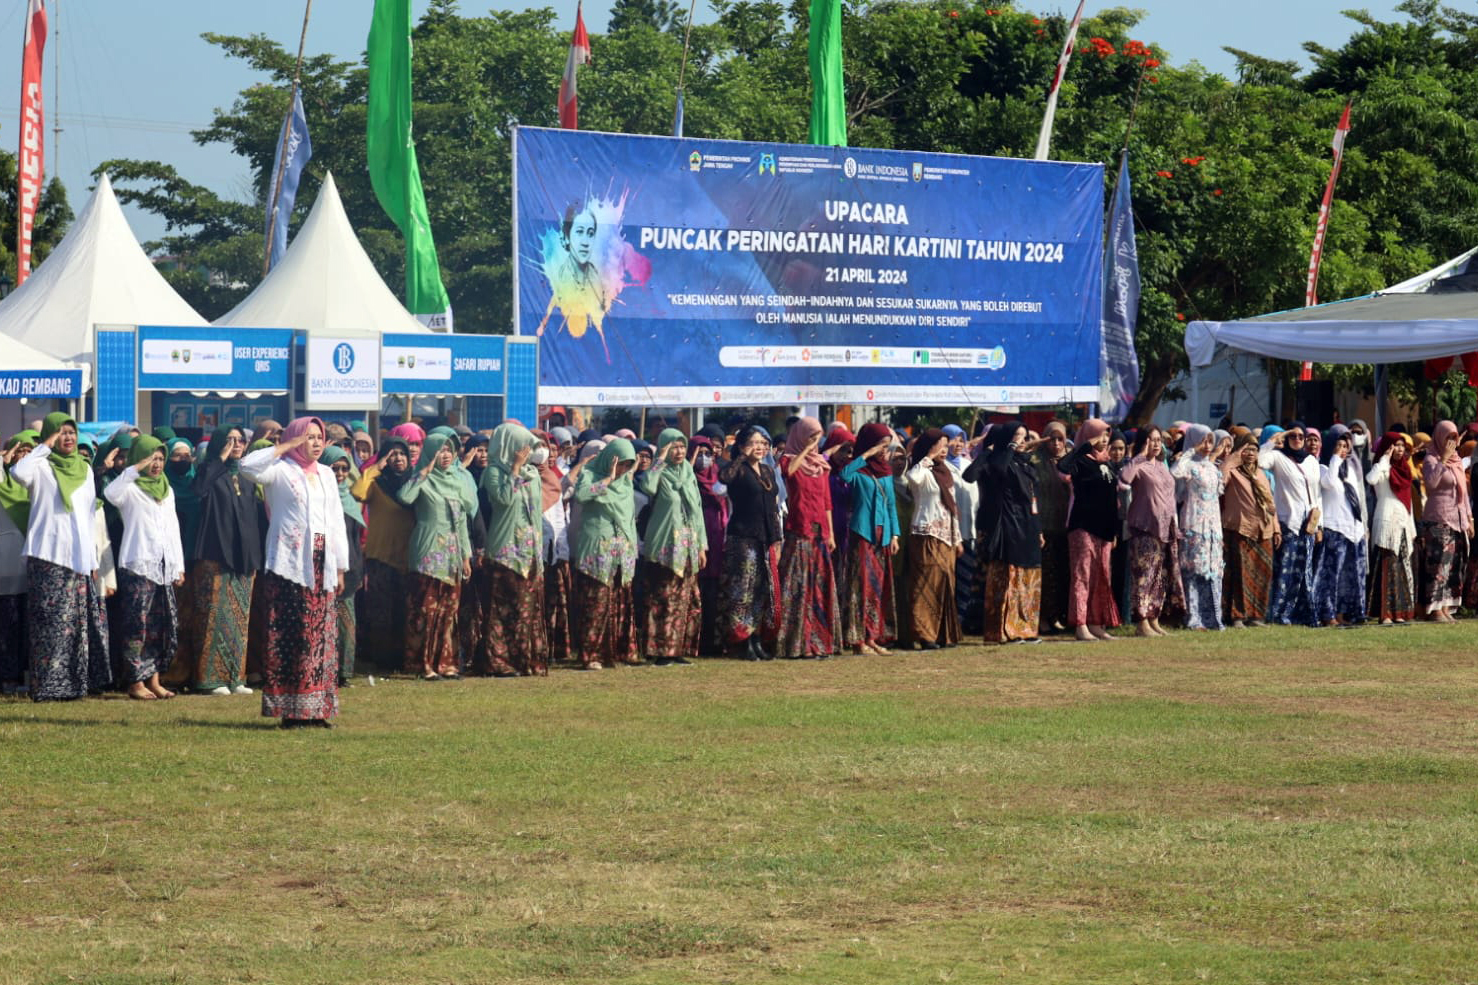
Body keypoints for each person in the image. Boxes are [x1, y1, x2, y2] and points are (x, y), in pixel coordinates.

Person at [240, 417, 350, 727]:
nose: (315, 443)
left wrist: (340, 566)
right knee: (293, 634)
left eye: (319, 437)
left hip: (321, 561)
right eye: (308, 437)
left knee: (320, 637)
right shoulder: (280, 469)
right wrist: (286, 446)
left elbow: (335, 521)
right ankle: (291, 711)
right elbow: (247, 467)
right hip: (290, 563)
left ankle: (317, 709)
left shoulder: (327, 474)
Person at [11, 413, 112, 701]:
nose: (67, 438)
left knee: (75, 626)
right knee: (49, 623)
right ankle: (47, 686)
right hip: (47, 554)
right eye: (62, 432)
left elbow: (89, 514)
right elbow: (18, 474)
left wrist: (92, 560)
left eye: (71, 432)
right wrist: (45, 445)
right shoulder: (41, 465)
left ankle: (73, 685)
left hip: (78, 557)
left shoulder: (85, 469)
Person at [102, 435, 185, 700]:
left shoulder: (167, 489)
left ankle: (155, 680)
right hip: (138, 564)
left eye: (161, 458)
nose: (157, 464)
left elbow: (173, 529)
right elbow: (110, 493)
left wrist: (178, 565)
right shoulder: (129, 488)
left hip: (163, 566)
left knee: (161, 626)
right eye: (151, 458)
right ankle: (135, 682)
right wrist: (134, 468)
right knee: (137, 625)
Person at [184, 426, 262, 695]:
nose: (236, 444)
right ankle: (210, 679)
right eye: (230, 440)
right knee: (213, 617)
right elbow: (198, 489)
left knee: (239, 618)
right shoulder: (210, 472)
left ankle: (235, 677)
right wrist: (219, 458)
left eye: (240, 440)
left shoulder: (247, 475)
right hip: (215, 554)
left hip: (243, 558)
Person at [398, 431, 476, 680]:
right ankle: (423, 664)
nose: (446, 455)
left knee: (449, 610)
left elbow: (462, 521)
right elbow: (404, 497)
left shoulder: (457, 481)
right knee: (426, 610)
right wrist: (423, 473)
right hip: (428, 553)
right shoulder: (422, 479)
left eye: (450, 450)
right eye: (441, 450)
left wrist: (466, 556)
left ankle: (447, 663)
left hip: (453, 554)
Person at [480, 423, 549, 676]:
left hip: (529, 552)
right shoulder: (494, 472)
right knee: (504, 609)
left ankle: (525, 660)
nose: (527, 452)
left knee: (526, 610)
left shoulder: (533, 474)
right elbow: (504, 500)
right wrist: (515, 469)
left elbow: (536, 514)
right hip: (505, 552)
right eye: (523, 447)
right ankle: (500, 662)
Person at [964, 420, 1042, 645]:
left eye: (1024, 436)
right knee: (1006, 579)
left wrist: (1038, 530)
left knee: (1027, 580)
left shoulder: (1025, 464)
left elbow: (1033, 498)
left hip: (1027, 526)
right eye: (1017, 436)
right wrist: (1005, 449)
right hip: (1006, 526)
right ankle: (1004, 630)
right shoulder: (997, 461)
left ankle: (1025, 628)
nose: (1021, 441)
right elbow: (992, 471)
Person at [636, 428, 707, 666]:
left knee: (684, 599)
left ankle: (676, 650)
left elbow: (697, 511)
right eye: (673, 447)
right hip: (665, 544)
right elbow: (647, 487)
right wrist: (659, 459)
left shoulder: (687, 472)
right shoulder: (660, 472)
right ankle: (658, 651)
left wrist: (701, 546)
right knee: (662, 598)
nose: (679, 452)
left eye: (681, 447)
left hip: (688, 545)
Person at [774, 417, 840, 658]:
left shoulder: (821, 466)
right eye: (811, 437)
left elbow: (826, 502)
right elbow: (789, 473)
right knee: (797, 587)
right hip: (799, 530)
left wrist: (830, 532)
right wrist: (804, 450)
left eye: (817, 438)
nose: (815, 442)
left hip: (820, 531)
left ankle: (819, 641)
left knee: (819, 588)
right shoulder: (789, 460)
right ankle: (795, 642)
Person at [572, 437, 641, 668]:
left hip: (622, 549)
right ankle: (592, 654)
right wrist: (608, 479)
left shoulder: (626, 483)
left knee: (619, 602)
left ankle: (618, 652)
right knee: (597, 602)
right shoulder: (590, 474)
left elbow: (629, 517)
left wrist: (632, 549)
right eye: (620, 463)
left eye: (627, 465)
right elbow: (581, 495)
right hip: (597, 549)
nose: (622, 470)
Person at [350, 436, 415, 671]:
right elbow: (356, 492)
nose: (398, 459)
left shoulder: (415, 483)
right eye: (392, 454)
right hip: (380, 556)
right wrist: (373, 469)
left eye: (402, 454)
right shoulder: (377, 484)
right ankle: (382, 659)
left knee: (405, 610)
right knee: (381, 611)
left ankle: (404, 658)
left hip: (409, 557)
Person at [719, 426, 782, 660]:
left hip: (765, 538)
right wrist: (741, 456)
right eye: (754, 443)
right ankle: (740, 640)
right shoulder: (739, 469)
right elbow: (723, 478)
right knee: (742, 591)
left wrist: (776, 538)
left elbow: (773, 506)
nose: (760, 447)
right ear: (743, 445)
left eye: (763, 443)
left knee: (760, 591)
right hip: (743, 538)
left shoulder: (767, 470)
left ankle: (755, 638)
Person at [837, 422, 900, 654]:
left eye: (887, 446)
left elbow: (891, 504)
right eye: (881, 445)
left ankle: (873, 636)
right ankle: (857, 640)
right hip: (862, 533)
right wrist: (866, 454)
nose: (884, 451)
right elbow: (844, 475)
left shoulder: (886, 471)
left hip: (882, 537)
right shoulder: (859, 469)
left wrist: (895, 534)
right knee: (860, 586)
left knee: (876, 587)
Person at [1058, 418, 1121, 641]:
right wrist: (1084, 446)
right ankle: (1081, 624)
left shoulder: (1108, 463)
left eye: (1107, 435)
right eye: (1099, 435)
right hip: (1083, 526)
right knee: (1082, 575)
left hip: (1104, 528)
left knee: (1102, 576)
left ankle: (1096, 622)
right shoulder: (1080, 461)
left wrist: (1114, 531)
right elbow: (1062, 466)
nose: (1104, 440)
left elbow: (1113, 498)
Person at [1118, 426, 1182, 636]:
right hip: (1144, 527)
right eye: (1150, 440)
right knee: (1143, 576)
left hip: (1165, 529)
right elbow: (1124, 481)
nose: (1155, 444)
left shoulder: (1163, 466)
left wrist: (1175, 524)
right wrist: (1139, 456)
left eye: (1157, 440)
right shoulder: (1138, 465)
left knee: (1159, 577)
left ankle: (1154, 618)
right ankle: (1141, 622)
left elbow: (1171, 497)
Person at [902, 428, 963, 649]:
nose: (944, 451)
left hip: (947, 537)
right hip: (926, 533)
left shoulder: (947, 472)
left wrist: (958, 539)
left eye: (946, 446)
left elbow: (952, 508)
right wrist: (927, 457)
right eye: (938, 446)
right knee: (925, 584)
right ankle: (924, 634)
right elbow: (913, 478)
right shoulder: (922, 470)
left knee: (946, 584)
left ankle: (942, 634)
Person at [1259, 424, 1322, 627]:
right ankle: (1278, 614)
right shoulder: (1278, 457)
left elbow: (1317, 493)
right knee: (1286, 570)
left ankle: (1301, 614)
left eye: (1301, 436)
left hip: (1309, 526)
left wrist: (1319, 524)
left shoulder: (1311, 461)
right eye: (1292, 436)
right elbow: (1260, 461)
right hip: (1289, 523)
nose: (1297, 439)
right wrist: (1273, 441)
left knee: (1305, 572)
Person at [1170, 424, 1226, 631]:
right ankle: (1193, 618)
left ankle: (1212, 618)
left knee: (1212, 572)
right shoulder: (1188, 465)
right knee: (1193, 571)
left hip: (1213, 528)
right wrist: (1191, 451)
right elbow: (1175, 473)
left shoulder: (1212, 468)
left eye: (1210, 441)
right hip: (1193, 524)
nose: (1208, 445)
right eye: (1203, 440)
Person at [1220, 432, 1278, 628]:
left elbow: (1270, 502)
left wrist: (1276, 529)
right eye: (1246, 449)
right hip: (1240, 528)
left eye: (1254, 449)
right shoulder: (1232, 472)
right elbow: (1218, 485)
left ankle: (1257, 615)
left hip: (1265, 530)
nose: (1251, 453)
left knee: (1263, 574)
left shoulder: (1261, 474)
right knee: (1239, 574)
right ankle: (1237, 616)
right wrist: (1229, 462)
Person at [319, 446, 365, 685]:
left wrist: (358, 571)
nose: (339, 473)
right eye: (334, 468)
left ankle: (344, 672)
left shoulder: (349, 499)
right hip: (325, 569)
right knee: (324, 623)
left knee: (347, 625)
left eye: (344, 468)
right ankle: (325, 671)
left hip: (351, 568)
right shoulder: (319, 497)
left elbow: (356, 539)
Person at [1314, 425, 1367, 626]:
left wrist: (1362, 528)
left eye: (1346, 446)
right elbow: (1328, 483)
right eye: (1339, 445)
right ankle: (1328, 614)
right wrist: (1335, 458)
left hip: (1354, 530)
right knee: (1331, 576)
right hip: (1334, 528)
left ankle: (1347, 613)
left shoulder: (1351, 470)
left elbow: (1356, 498)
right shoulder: (1323, 467)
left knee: (1351, 576)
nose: (1343, 449)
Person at [1419, 420, 1471, 622]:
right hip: (1438, 519)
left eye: (1454, 438)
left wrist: (1469, 519)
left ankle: (1447, 606)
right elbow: (1431, 484)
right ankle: (1434, 609)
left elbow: (1463, 493)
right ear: (1440, 437)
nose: (1451, 442)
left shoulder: (1457, 461)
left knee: (1453, 565)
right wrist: (1444, 459)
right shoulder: (1431, 458)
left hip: (1457, 519)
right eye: (1448, 437)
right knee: (1438, 564)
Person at [0, 430, 38, 693]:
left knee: (29, 627)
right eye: (20, 451)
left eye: (29, 452)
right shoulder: (3, 480)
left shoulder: (38, 483)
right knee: (7, 627)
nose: (24, 456)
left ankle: (26, 677)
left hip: (35, 569)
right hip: (6, 569)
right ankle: (8, 678)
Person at [1366, 432, 1417, 625]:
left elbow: (1408, 502)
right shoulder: (1382, 468)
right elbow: (1371, 479)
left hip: (1403, 523)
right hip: (1386, 521)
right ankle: (1385, 614)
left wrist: (1411, 528)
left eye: (1403, 446)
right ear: (1387, 447)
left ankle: (1400, 613)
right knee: (1387, 568)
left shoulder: (1405, 470)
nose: (1400, 449)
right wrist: (1384, 459)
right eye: (1396, 445)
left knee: (1402, 569)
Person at [690, 434, 729, 655]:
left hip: (719, 538)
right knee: (699, 592)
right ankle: (697, 642)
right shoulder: (687, 477)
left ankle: (716, 641)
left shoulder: (720, 477)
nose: (704, 458)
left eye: (708, 453)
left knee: (716, 593)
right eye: (699, 453)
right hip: (697, 539)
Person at [1033, 421, 1071, 633]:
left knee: (1062, 573)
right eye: (1052, 439)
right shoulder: (1036, 460)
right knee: (1045, 575)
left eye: (1060, 439)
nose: (1056, 444)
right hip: (1044, 526)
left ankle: (1058, 615)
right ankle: (1043, 618)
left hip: (1066, 525)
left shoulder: (1070, 459)